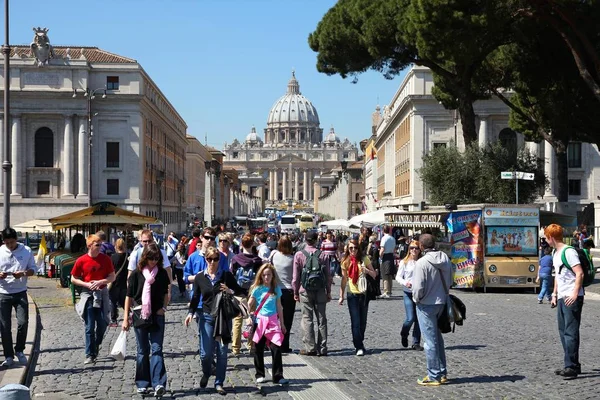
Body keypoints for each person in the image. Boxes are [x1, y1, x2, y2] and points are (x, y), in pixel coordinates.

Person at [184, 247, 245, 395]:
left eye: (215, 259)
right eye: (209, 259)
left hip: (223, 318)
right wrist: (190, 313)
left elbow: (241, 291)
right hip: (206, 317)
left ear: (219, 260)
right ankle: (207, 371)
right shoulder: (200, 277)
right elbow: (196, 296)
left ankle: (219, 383)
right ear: (205, 259)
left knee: (222, 352)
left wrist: (230, 291)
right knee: (206, 354)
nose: (212, 262)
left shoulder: (226, 276)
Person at [123, 243, 170, 396]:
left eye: (157, 258)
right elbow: (129, 296)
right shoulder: (136, 274)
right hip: (140, 315)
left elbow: (165, 293)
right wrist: (125, 318)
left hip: (157, 315)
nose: (153, 261)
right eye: (151, 258)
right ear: (145, 257)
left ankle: (158, 383)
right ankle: (143, 382)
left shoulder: (161, 273)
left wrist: (163, 308)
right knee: (142, 351)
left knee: (157, 349)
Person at [412, 234, 452, 386]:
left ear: (421, 247)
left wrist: (417, 299)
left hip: (426, 304)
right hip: (441, 302)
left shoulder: (422, 263)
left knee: (430, 341)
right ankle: (442, 372)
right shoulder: (445, 259)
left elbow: (418, 287)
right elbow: (450, 280)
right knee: (438, 339)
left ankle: (434, 375)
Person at [545, 224, 585, 379]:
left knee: (570, 332)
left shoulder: (569, 252)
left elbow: (579, 273)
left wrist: (575, 294)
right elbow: (558, 275)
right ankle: (572, 363)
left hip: (571, 297)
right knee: (563, 331)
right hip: (562, 296)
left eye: (546, 237)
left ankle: (571, 367)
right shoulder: (556, 252)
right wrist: (554, 294)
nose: (545, 240)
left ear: (551, 237)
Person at [72, 234, 116, 364]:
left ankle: (96, 344)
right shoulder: (81, 260)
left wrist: (101, 281)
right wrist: (86, 284)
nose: (100, 247)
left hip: (102, 294)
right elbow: (73, 279)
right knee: (89, 326)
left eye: (101, 244)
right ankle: (89, 354)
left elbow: (112, 277)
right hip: (88, 295)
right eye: (97, 245)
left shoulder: (106, 259)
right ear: (89, 246)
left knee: (103, 323)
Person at [247, 263, 290, 385]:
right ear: (261, 276)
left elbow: (279, 307)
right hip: (260, 321)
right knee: (258, 348)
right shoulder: (257, 289)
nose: (266, 277)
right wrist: (248, 315)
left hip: (273, 322)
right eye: (264, 275)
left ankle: (278, 376)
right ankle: (260, 374)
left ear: (272, 276)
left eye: (269, 275)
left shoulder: (276, 289)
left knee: (276, 348)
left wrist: (282, 324)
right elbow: (249, 304)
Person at [0, 228, 37, 367]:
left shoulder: (26, 250)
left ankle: (19, 350)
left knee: (23, 322)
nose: (10, 245)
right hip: (3, 292)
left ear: (17, 239)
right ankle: (8, 355)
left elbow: (33, 269)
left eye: (12, 242)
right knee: (4, 326)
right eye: (7, 242)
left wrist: (23, 273)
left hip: (20, 291)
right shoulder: (0, 251)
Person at [292, 230, 331, 356]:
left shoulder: (299, 255)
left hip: (305, 290)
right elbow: (328, 276)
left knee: (307, 318)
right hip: (320, 290)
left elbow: (295, 277)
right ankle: (322, 347)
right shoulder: (323, 255)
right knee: (321, 319)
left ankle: (310, 348)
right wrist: (328, 291)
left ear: (305, 239)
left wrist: (295, 291)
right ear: (316, 240)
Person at [338, 239, 377, 356]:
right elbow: (344, 279)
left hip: (364, 294)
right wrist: (341, 295)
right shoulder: (345, 261)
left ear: (358, 248)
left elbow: (374, 274)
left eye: (355, 247)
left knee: (363, 322)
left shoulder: (364, 259)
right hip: (352, 294)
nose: (353, 250)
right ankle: (358, 346)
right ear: (347, 249)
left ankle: (360, 340)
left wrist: (367, 270)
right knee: (355, 322)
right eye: (351, 248)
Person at [230, 234, 263, 356]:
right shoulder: (257, 260)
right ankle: (251, 345)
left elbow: (231, 275)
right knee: (252, 319)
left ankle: (236, 348)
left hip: (238, 292)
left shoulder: (235, 259)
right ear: (253, 244)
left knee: (237, 320)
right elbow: (260, 279)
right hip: (252, 293)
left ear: (241, 245)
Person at [269, 236, 296, 353]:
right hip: (289, 291)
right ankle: (285, 344)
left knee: (275, 317)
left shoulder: (274, 255)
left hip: (276, 290)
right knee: (287, 319)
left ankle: (274, 342)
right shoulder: (292, 259)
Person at [396, 240, 423, 350]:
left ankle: (416, 342)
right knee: (410, 318)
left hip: (420, 293)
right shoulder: (404, 262)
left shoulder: (422, 262)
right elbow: (398, 277)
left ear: (419, 249)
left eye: (416, 248)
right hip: (408, 292)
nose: (414, 250)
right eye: (411, 248)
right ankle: (404, 332)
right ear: (409, 249)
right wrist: (405, 282)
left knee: (419, 319)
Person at [109, 238, 129, 327]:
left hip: (114, 283)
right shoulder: (127, 257)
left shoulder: (112, 257)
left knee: (113, 301)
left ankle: (114, 320)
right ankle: (129, 315)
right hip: (124, 282)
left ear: (116, 246)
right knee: (123, 301)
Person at [379, 226, 396, 298]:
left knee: (385, 275)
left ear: (383, 231)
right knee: (390, 275)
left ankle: (386, 291)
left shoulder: (384, 238)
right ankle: (390, 291)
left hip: (385, 257)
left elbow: (382, 249)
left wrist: (380, 256)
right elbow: (394, 249)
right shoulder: (393, 238)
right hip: (391, 256)